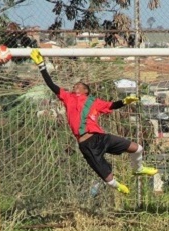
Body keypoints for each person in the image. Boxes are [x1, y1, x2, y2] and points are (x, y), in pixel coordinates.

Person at [30, 49, 158, 195]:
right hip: (86, 144)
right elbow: (51, 85)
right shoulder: (67, 97)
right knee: (110, 181)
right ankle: (118, 186)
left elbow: (111, 105)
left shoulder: (94, 102)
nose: (74, 87)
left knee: (138, 148)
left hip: (100, 138)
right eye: (74, 86)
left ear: (86, 90)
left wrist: (124, 101)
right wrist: (41, 65)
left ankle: (139, 169)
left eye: (78, 85)